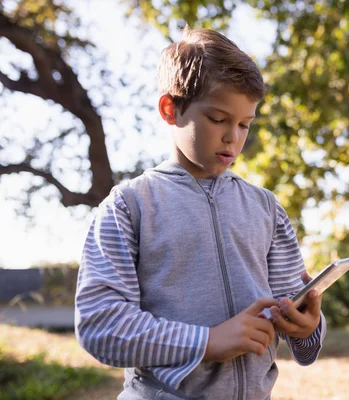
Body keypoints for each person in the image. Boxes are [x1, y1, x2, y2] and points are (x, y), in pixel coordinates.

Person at [75, 27, 326, 400]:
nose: (233, 138)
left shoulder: (266, 208)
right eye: (219, 119)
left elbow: (295, 324)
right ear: (170, 109)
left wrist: (308, 327)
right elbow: (101, 325)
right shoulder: (128, 206)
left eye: (245, 124)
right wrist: (206, 341)